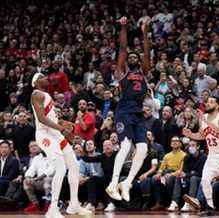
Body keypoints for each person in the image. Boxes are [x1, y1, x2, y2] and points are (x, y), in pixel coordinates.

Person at [31, 73, 91, 218]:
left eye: (46, 76)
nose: (46, 78)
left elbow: (52, 119)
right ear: (36, 82)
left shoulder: (48, 96)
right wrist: (61, 128)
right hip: (44, 134)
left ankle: (74, 205)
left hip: (55, 134)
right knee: (60, 167)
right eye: (42, 77)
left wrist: (64, 125)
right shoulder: (36, 94)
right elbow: (41, 118)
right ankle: (53, 208)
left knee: (74, 166)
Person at [105, 17, 150, 202]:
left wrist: (145, 33)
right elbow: (123, 48)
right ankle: (113, 183)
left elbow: (146, 52)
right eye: (130, 57)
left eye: (135, 57)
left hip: (138, 114)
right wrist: (123, 28)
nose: (132, 57)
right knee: (124, 146)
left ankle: (127, 182)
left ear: (138, 62)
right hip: (123, 112)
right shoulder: (122, 72)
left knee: (143, 149)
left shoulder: (144, 72)